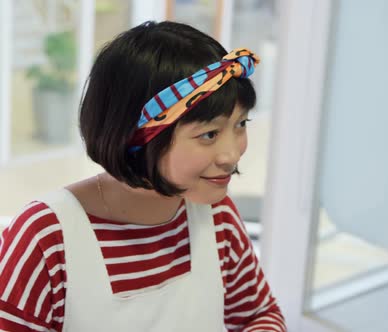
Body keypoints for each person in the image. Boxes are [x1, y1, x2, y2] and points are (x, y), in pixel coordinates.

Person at [0, 21, 286, 331]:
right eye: (209, 134)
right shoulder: (46, 237)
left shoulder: (217, 216)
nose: (232, 154)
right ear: (136, 137)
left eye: (241, 124)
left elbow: (259, 315)